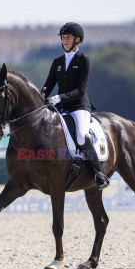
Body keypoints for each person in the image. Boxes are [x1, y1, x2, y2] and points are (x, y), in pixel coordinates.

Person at [41, 22, 110, 190]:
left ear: (77, 40)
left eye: (68, 38)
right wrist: (40, 97)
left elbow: (81, 90)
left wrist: (59, 97)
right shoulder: (57, 62)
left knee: (80, 136)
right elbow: (47, 86)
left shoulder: (83, 60)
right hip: (60, 109)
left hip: (79, 107)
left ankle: (99, 173)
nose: (64, 41)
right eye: (63, 38)